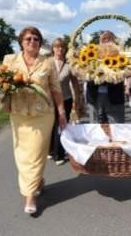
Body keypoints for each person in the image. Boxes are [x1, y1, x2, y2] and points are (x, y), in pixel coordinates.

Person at [2, 26, 66, 214]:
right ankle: (37, 181)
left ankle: (30, 196)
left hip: (42, 115)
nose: (32, 42)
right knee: (22, 154)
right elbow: (1, 82)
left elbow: (56, 90)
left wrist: (62, 113)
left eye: (36, 39)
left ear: (40, 42)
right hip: (18, 114)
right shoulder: (9, 60)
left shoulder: (47, 64)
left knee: (36, 153)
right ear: (21, 41)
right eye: (28, 39)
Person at [48, 37, 80, 166]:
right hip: (49, 100)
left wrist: (77, 99)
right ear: (53, 49)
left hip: (65, 99)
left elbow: (75, 82)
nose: (60, 49)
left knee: (61, 126)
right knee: (50, 125)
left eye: (62, 47)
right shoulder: (47, 62)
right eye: (57, 47)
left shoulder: (69, 65)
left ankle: (59, 154)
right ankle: (51, 150)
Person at [86, 31, 125, 123]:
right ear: (99, 42)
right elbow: (85, 73)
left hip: (115, 97)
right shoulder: (90, 54)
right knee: (95, 128)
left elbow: (125, 72)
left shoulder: (121, 55)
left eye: (109, 39)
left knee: (116, 128)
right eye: (104, 39)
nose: (106, 41)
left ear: (114, 42)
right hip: (94, 97)